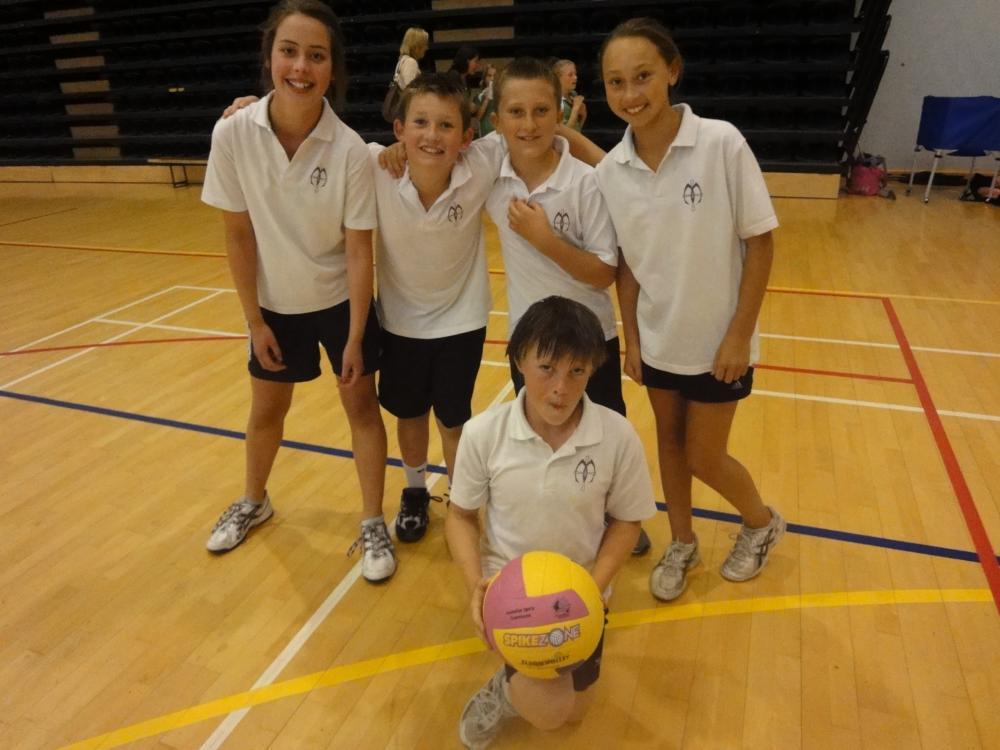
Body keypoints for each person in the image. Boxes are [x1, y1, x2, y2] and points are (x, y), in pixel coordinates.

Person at [561, 17, 786, 602]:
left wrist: (739, 335)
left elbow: (761, 243)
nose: (630, 94)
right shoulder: (613, 172)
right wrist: (633, 340)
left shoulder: (721, 143)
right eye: (616, 82)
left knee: (704, 455)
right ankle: (682, 541)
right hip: (659, 339)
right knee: (667, 445)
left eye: (643, 77)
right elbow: (629, 267)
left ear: (672, 72)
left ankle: (761, 522)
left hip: (719, 343)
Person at [200, 0, 395, 584]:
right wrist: (254, 321)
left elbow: (359, 250)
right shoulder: (232, 134)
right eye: (289, 51)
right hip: (274, 307)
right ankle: (254, 500)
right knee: (266, 411)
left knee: (361, 409)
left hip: (339, 304)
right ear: (269, 57)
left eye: (316, 56)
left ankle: (372, 520)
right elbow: (238, 235)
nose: (301, 68)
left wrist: (356, 335)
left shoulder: (351, 151)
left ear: (332, 69)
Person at [445, 296, 656, 749]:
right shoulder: (483, 434)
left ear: (592, 371)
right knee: (549, 712)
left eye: (576, 371)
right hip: (513, 599)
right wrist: (476, 585)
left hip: (581, 594)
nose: (560, 388)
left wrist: (592, 589)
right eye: (546, 368)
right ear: (519, 360)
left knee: (576, 710)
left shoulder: (617, 435)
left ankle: (515, 684)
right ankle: (504, 690)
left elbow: (627, 521)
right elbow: (460, 515)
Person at [369, 72, 505, 542]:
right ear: (399, 129)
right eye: (420, 123)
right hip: (400, 323)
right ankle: (414, 490)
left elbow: (530, 127)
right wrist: (248, 107)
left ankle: (462, 504)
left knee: (453, 420)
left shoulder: (481, 163)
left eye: (446, 125)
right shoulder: (375, 168)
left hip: (461, 322)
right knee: (409, 415)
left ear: (467, 138)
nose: (432, 135)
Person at [553, 59, 586, 131]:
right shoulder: (556, 101)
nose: (575, 77)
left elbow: (577, 128)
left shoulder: (574, 94)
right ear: (558, 79)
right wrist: (575, 108)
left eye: (575, 74)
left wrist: (583, 115)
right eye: (570, 75)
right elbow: (564, 133)